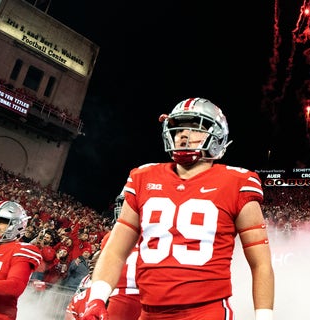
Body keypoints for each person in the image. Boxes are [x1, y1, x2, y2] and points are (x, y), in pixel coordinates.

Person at [82, 98, 275, 320]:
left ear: (218, 136)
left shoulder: (238, 182)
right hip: (148, 313)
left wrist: (264, 317)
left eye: (194, 128)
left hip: (205, 313)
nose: (183, 135)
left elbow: (260, 263)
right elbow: (116, 250)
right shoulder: (143, 177)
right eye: (178, 128)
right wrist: (97, 298)